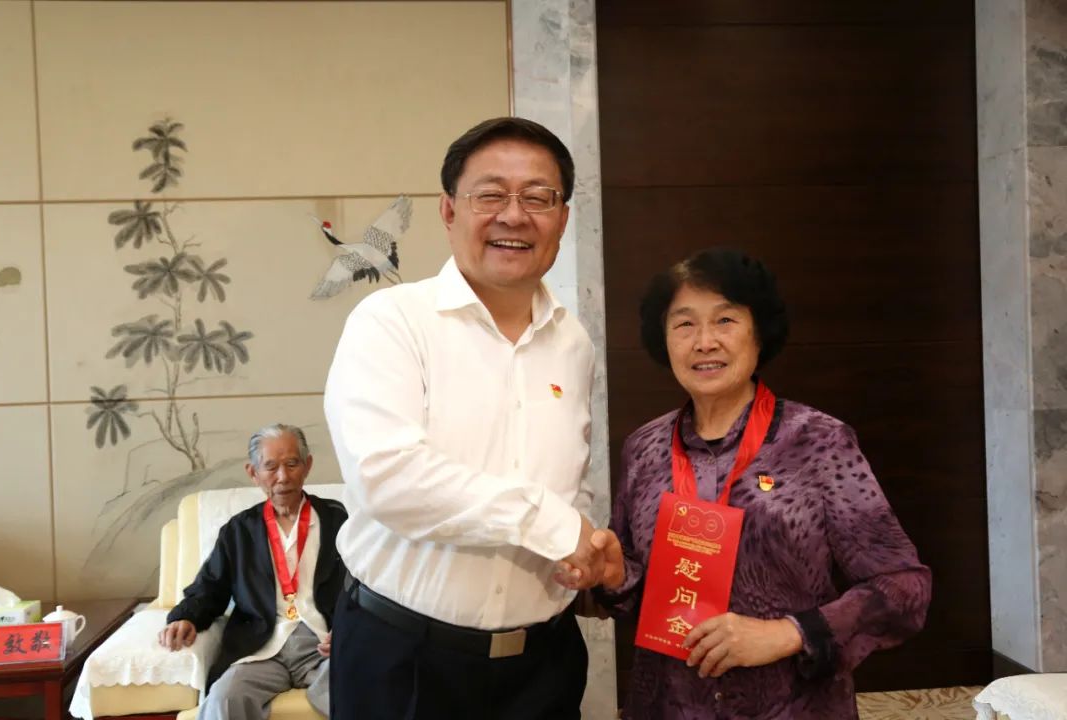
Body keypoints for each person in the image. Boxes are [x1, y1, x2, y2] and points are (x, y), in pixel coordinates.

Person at [323, 116, 623, 720]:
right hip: (403, 663)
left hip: (543, 665)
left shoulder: (573, 342)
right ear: (448, 210)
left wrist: (585, 546)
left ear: (563, 218)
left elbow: (566, 477)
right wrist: (554, 526)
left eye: (538, 197)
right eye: (490, 195)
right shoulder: (391, 321)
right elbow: (389, 479)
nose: (514, 216)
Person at [597, 248, 931, 719]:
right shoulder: (643, 449)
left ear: (759, 334)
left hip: (791, 707)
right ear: (663, 339)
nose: (704, 342)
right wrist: (615, 577)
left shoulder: (819, 441)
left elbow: (904, 586)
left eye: (725, 320)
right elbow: (645, 595)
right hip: (668, 706)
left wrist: (790, 633)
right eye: (684, 324)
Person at [158, 424, 348, 720]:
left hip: (322, 646)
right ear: (253, 472)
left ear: (307, 465)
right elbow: (210, 588)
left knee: (360, 687)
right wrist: (186, 617)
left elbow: (363, 586)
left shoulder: (338, 520)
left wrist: (348, 629)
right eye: (270, 467)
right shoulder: (238, 531)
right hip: (261, 647)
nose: (283, 476)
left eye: (292, 464)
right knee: (225, 699)